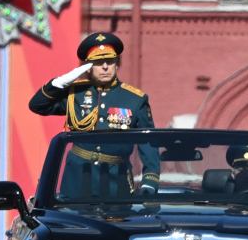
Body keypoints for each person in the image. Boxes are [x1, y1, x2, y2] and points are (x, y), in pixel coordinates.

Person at [28, 32, 160, 199]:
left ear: (117, 64)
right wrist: (58, 83)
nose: (105, 67)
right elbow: (37, 106)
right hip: (77, 179)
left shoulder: (135, 99)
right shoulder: (76, 94)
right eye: (98, 62)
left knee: (117, 223)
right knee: (74, 224)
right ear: (88, 66)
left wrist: (150, 182)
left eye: (110, 61)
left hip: (116, 180)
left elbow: (149, 143)